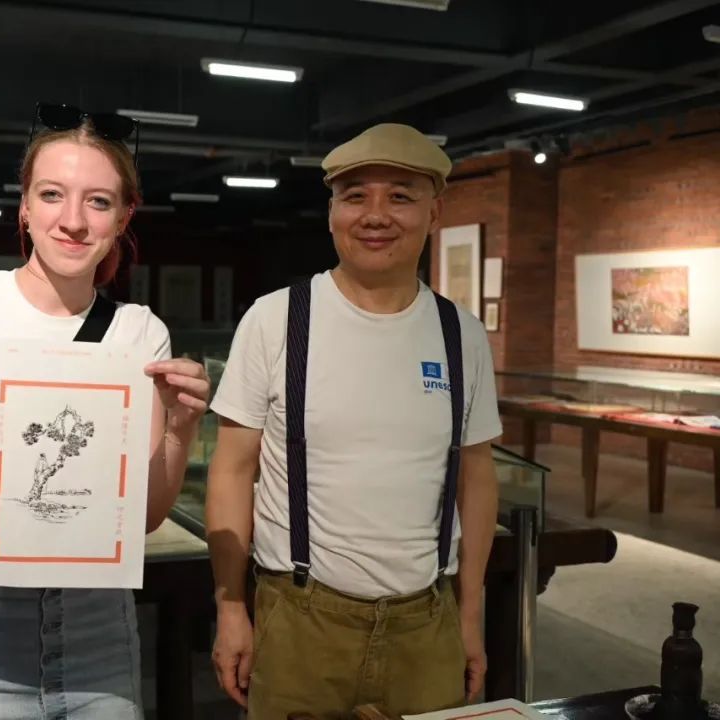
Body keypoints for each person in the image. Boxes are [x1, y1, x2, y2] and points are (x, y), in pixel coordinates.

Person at [0, 103, 211, 719]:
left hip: (98, 622)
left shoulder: (140, 333)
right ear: (25, 207)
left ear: (124, 217)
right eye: (52, 194)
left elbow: (142, 518)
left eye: (98, 202)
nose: (73, 221)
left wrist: (181, 429)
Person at [205, 123, 503, 719]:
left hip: (427, 625)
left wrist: (470, 615)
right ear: (332, 212)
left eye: (400, 196)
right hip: (299, 621)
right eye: (355, 195)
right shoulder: (276, 319)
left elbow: (476, 476)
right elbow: (232, 469)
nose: (375, 215)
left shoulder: (461, 334)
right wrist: (231, 608)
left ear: (434, 213)